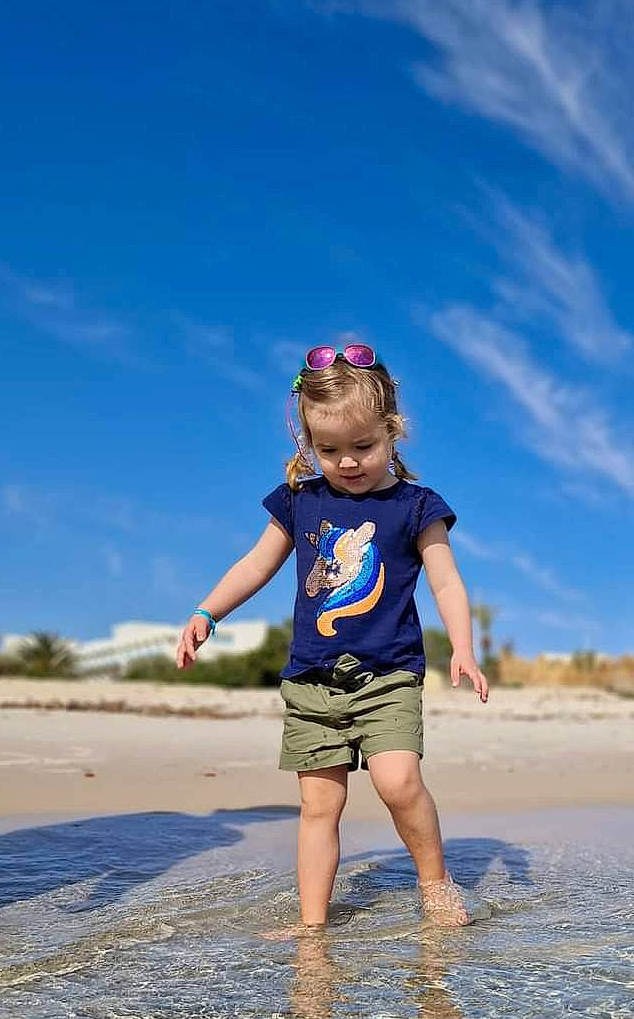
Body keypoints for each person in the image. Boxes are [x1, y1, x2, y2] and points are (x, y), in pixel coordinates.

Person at [176, 342, 490, 928]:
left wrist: (465, 650)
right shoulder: (300, 501)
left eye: (363, 447)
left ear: (392, 431)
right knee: (319, 805)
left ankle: (435, 880)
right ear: (307, 444)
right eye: (329, 450)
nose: (347, 462)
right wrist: (208, 612)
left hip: (387, 675)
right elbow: (255, 565)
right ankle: (313, 925)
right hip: (312, 680)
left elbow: (447, 583)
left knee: (398, 783)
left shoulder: (417, 506)